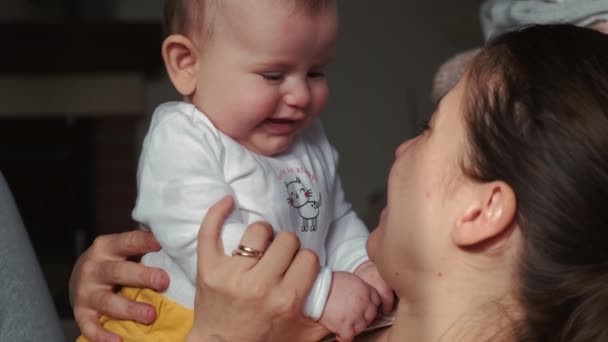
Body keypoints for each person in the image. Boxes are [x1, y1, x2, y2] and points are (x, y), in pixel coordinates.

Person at [71, 24, 608, 341]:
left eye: (427, 129)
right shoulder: (364, 301)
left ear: (480, 210)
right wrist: (108, 285)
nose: (400, 150)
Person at [76, 0, 392, 341]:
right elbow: (208, 244)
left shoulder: (309, 139)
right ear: (188, 65)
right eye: (274, 75)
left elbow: (336, 222)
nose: (301, 95)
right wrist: (320, 292)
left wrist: (361, 265)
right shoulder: (183, 137)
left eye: (315, 71)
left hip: (278, 320)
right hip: (170, 321)